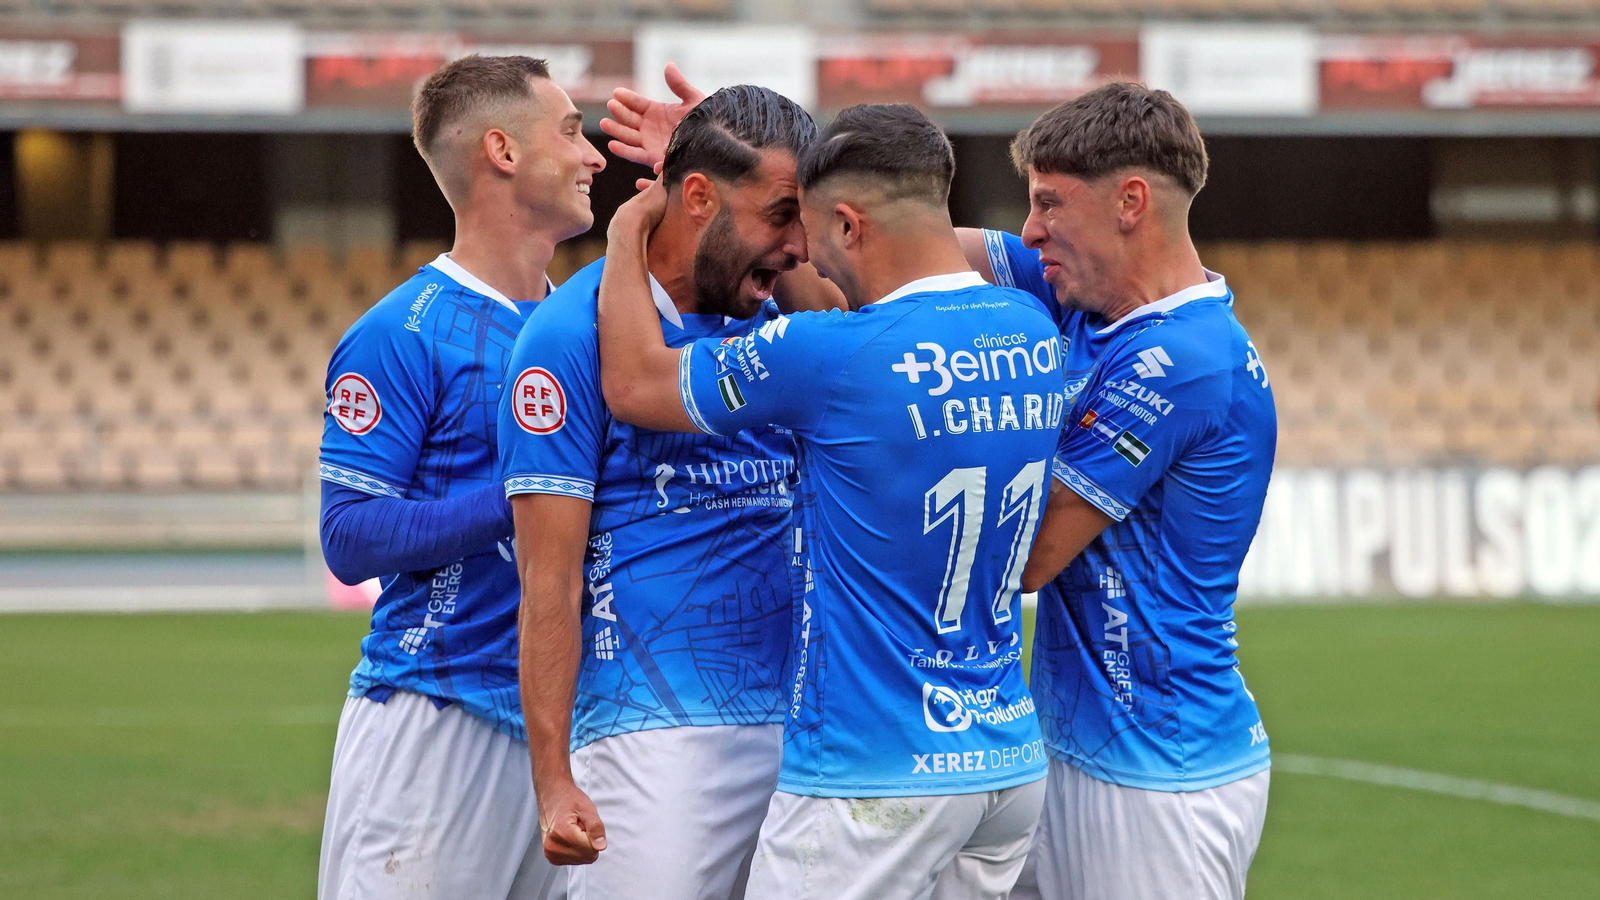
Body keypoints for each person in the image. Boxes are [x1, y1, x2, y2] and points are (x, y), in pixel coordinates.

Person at [595, 103, 1063, 900]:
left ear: (847, 225)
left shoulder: (827, 355)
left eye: (806, 229)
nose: (795, 254)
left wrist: (624, 233)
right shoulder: (1030, 321)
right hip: (1004, 763)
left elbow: (637, 384)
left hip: (870, 771)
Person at [498, 85, 817, 900]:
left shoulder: (787, 320)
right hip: (654, 740)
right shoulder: (570, 335)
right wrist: (553, 779)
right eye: (781, 216)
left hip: (809, 733)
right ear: (699, 197)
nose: (797, 244)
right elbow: (548, 581)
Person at [315, 55, 604, 900]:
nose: (593, 157)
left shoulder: (582, 327)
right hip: (438, 722)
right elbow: (349, 537)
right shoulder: (401, 332)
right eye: (573, 132)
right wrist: (528, 502)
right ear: (502, 151)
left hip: (569, 728)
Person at [1005, 84, 1277, 900]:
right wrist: (751, 175)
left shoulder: (1186, 359)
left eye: (1050, 204)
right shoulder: (1089, 299)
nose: (1029, 232)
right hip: (1075, 744)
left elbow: (1028, 556)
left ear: (1130, 202)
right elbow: (897, 243)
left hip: (1160, 772)